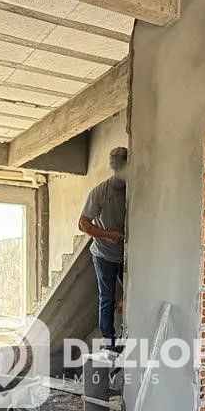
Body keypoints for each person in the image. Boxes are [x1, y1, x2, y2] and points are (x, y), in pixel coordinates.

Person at [78, 146, 129, 352]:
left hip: (126, 255)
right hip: (104, 254)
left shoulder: (133, 189)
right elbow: (83, 224)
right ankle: (109, 343)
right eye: (117, 166)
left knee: (133, 293)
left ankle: (126, 337)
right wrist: (109, 235)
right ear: (113, 167)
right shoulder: (100, 192)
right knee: (107, 297)